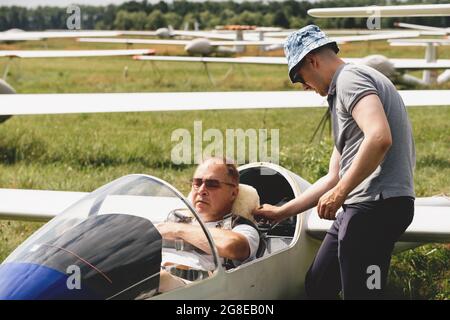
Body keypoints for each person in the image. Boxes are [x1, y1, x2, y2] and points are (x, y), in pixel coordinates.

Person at [253, 25, 415, 300]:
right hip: (359, 207)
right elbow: (333, 177)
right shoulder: (344, 89)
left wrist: (339, 194)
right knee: (319, 284)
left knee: (363, 295)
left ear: (312, 60)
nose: (304, 86)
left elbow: (378, 138)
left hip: (376, 207)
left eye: (299, 77)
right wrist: (283, 212)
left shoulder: (350, 79)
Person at [156, 157, 260, 292]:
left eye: (212, 184)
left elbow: (232, 246)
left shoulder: (240, 227)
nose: (201, 190)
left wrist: (177, 230)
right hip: (153, 278)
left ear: (233, 193)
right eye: (197, 183)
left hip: (197, 290)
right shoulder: (176, 218)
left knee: (159, 279)